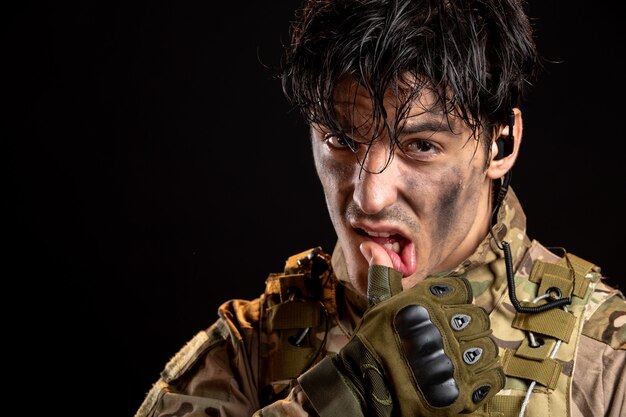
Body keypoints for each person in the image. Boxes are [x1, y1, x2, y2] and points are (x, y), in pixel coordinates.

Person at [135, 0, 625, 416]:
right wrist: (332, 400)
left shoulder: (604, 354)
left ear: (500, 145)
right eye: (341, 139)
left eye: (420, 146)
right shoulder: (248, 352)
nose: (369, 198)